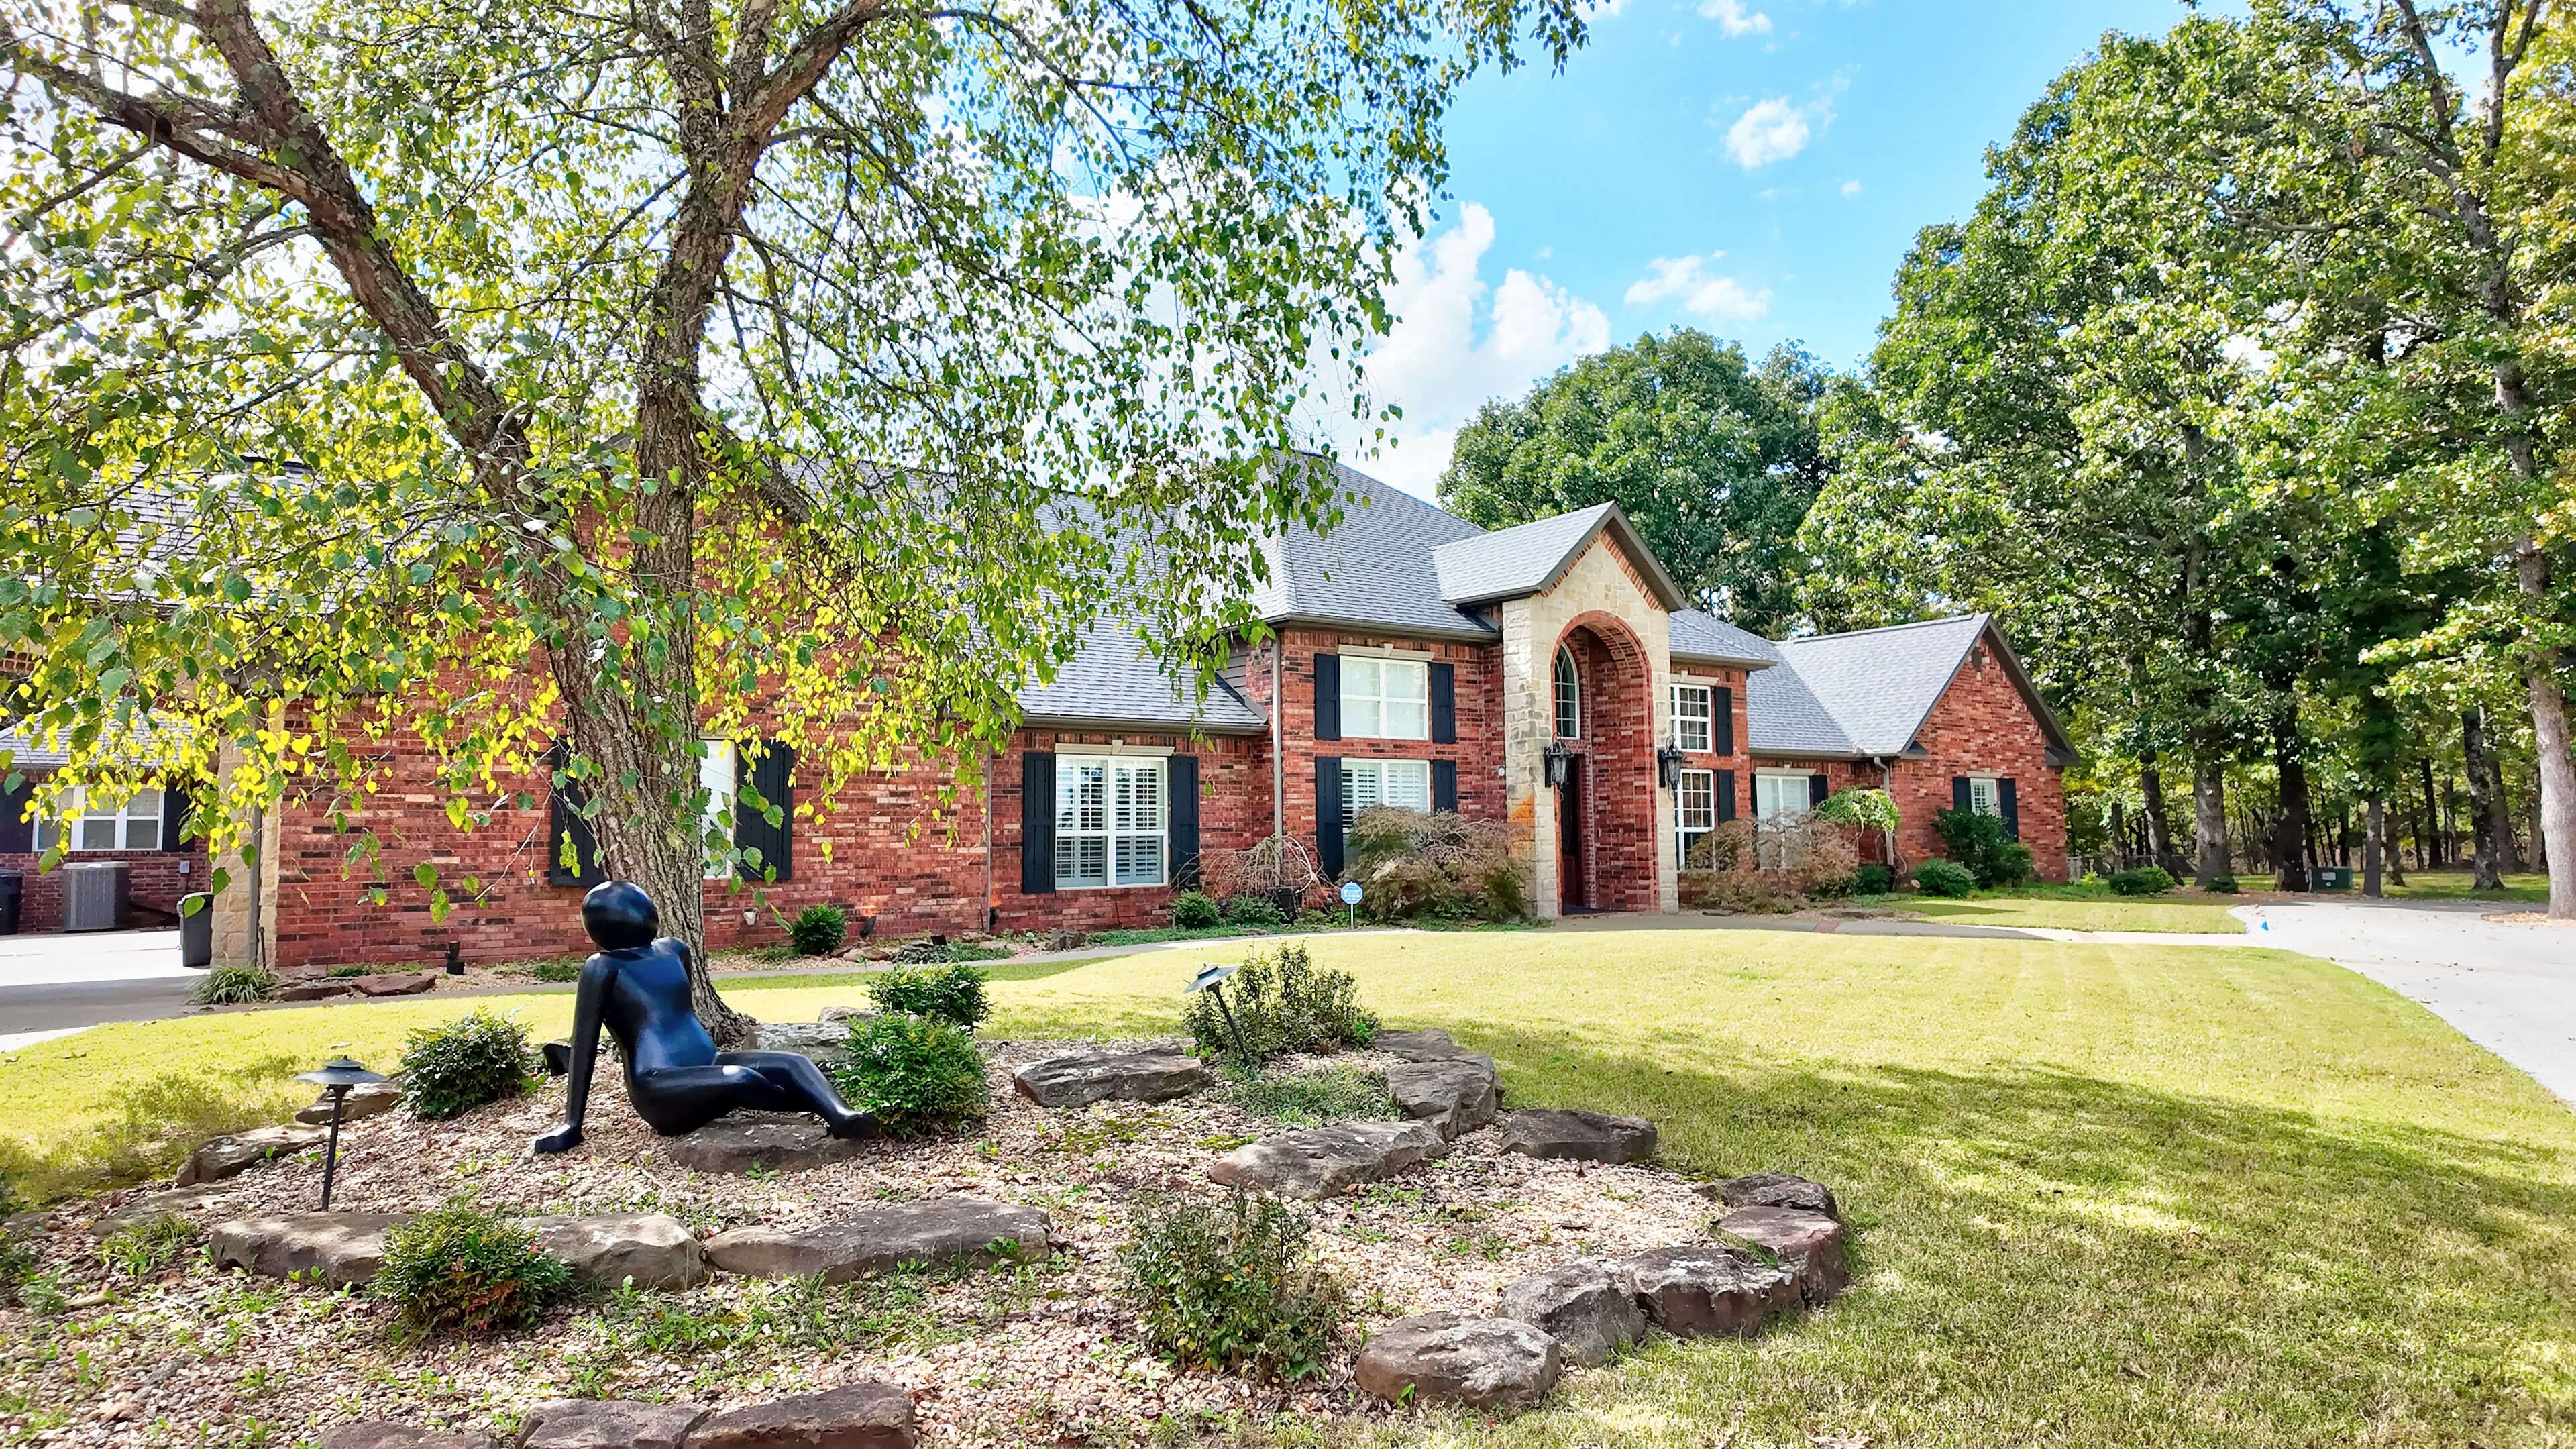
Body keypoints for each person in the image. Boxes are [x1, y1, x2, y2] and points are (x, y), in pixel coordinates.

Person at [534, 880, 876, 1153]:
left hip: (707, 1062)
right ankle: (809, 1105)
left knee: (793, 1062)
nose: (642, 912)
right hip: (659, 1086)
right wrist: (571, 1124)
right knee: (740, 1079)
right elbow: (584, 1046)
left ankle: (840, 1114)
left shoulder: (674, 950)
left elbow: (681, 1010)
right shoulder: (602, 968)